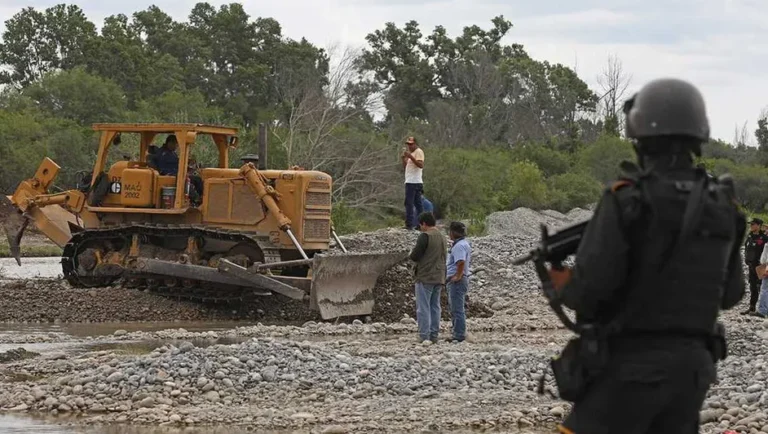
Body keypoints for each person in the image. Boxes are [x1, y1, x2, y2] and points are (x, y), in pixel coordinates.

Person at [547, 78, 745, 433]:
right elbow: (731, 294)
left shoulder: (626, 199)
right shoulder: (723, 205)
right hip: (693, 371)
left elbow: (591, 291)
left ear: (641, 138)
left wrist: (561, 284)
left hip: (630, 369)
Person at [408, 212, 447, 344]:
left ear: (424, 224)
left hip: (425, 276)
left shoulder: (425, 236)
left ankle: (424, 335)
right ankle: (434, 335)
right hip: (439, 275)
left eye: (421, 225)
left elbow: (415, 256)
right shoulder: (443, 236)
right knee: (435, 306)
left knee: (423, 307)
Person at [154, 134, 203, 205]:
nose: (177, 146)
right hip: (167, 173)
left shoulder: (172, 153)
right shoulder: (163, 153)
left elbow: (177, 162)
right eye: (175, 144)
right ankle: (195, 198)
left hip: (175, 172)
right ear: (170, 143)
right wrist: (185, 162)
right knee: (183, 179)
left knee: (197, 179)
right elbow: (172, 163)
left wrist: (188, 165)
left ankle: (202, 197)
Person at [446, 221, 471, 343]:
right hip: (459, 279)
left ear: (452, 232)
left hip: (457, 281)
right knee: (456, 307)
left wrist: (457, 276)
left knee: (457, 308)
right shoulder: (462, 244)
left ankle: (459, 334)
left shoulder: (459, 246)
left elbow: (460, 262)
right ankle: (458, 332)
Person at [743, 217, 768, 315]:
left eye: (753, 224)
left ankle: (763, 309)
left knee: (762, 287)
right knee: (752, 286)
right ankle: (752, 307)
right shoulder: (750, 235)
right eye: (750, 224)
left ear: (758, 226)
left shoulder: (764, 238)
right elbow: (746, 247)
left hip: (760, 266)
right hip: (750, 265)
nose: (751, 226)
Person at [402, 136, 425, 230]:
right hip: (411, 180)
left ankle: (409, 224)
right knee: (417, 204)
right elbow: (406, 167)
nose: (409, 146)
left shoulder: (418, 152)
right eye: (408, 144)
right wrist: (403, 158)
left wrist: (411, 156)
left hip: (414, 182)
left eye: (411, 144)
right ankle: (421, 224)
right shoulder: (411, 154)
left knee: (409, 203)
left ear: (415, 144)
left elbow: (420, 165)